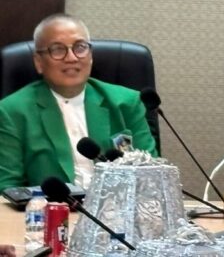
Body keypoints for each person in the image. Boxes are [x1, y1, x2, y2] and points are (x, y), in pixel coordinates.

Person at [0, 14, 157, 191]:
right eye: (57, 49)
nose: (71, 58)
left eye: (80, 47)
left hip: (119, 206)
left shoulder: (127, 103)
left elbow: (151, 174)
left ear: (90, 56)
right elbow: (7, 188)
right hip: (50, 207)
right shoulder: (12, 112)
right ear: (39, 62)